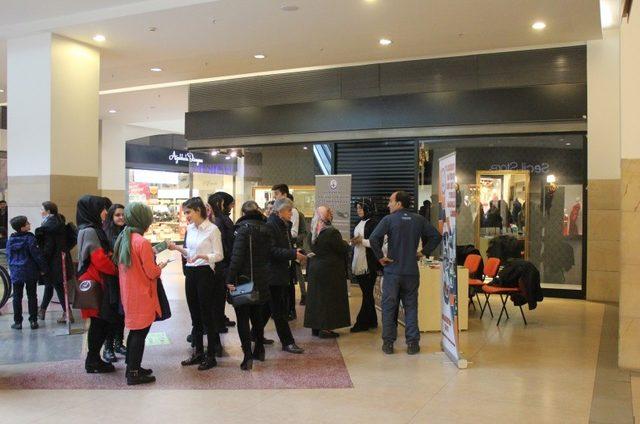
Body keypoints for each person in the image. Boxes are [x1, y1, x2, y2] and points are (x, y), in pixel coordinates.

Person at [369, 191, 442, 355]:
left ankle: (388, 344)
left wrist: (380, 257)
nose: (388, 204)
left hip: (393, 272)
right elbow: (436, 236)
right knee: (411, 307)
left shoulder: (388, 220)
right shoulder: (418, 219)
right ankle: (413, 344)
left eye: (390, 201)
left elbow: (374, 238)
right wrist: (423, 252)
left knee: (389, 308)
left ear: (399, 203)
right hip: (411, 271)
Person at [113, 203, 168, 385]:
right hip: (143, 293)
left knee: (135, 332)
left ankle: (132, 366)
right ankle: (134, 373)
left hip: (129, 292)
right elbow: (151, 272)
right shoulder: (142, 242)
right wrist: (159, 267)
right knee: (140, 334)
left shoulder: (124, 237)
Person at [169, 197, 223, 371]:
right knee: (195, 315)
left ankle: (211, 355)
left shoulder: (213, 230)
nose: (186, 216)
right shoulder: (190, 229)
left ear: (198, 211)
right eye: (185, 212)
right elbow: (189, 252)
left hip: (206, 273)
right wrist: (177, 248)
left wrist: (205, 257)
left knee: (207, 315)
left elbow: (220, 255)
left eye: (188, 212)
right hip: (191, 272)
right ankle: (198, 352)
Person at [226, 201, 272, 370]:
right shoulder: (267, 228)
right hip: (262, 279)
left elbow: (236, 258)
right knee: (257, 317)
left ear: (243, 213)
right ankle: (259, 349)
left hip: (243, 280)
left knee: (243, 318)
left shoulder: (241, 229)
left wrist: (229, 279)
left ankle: (247, 356)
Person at [76, 195, 118, 373]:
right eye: (102, 208)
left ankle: (94, 358)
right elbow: (99, 259)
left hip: (96, 280)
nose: (105, 212)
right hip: (95, 282)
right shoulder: (91, 231)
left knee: (99, 322)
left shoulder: (89, 228)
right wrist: (117, 270)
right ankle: (93, 360)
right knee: (99, 322)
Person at [264, 198, 305, 354]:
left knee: (268, 308)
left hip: (280, 272)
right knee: (279, 310)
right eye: (289, 210)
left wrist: (295, 253)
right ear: (280, 211)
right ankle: (287, 342)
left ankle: (254, 335)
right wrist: (293, 253)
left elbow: (285, 246)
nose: (291, 213)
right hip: (273, 274)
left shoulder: (283, 225)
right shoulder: (270, 226)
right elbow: (271, 251)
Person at [303, 206, 350, 338]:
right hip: (330, 270)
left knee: (316, 298)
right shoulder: (332, 232)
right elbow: (341, 248)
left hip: (315, 268)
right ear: (324, 216)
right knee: (329, 299)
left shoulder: (313, 231)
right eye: (329, 212)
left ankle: (316, 327)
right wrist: (346, 244)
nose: (332, 213)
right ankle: (326, 329)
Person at [36, 201, 74, 324]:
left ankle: (67, 313)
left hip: (53, 262)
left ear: (48, 211)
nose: (40, 211)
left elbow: (48, 246)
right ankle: (42, 311)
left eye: (42, 209)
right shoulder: (58, 222)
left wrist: (41, 260)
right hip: (60, 260)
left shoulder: (49, 226)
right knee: (52, 285)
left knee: (57, 287)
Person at [6, 215, 46, 330]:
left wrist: (13, 268)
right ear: (22, 227)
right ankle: (33, 321)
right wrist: (43, 268)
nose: (29, 224)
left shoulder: (11, 240)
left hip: (16, 271)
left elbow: (9, 256)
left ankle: (18, 322)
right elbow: (37, 255)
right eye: (27, 223)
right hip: (30, 271)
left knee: (17, 297)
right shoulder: (30, 238)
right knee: (32, 296)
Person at [208, 192, 236, 338]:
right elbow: (224, 242)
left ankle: (220, 319)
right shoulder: (219, 220)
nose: (231, 207)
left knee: (220, 293)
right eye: (230, 204)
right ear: (222, 203)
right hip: (222, 262)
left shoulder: (219, 219)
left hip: (224, 261)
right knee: (218, 294)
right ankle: (218, 321)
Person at [101, 204, 127, 363]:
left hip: (125, 279)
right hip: (111, 279)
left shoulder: (127, 232)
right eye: (117, 215)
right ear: (111, 216)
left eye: (123, 214)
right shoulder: (105, 234)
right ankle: (108, 347)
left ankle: (119, 343)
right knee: (111, 314)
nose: (121, 217)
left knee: (122, 313)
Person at [350, 200, 380, 333]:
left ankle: (362, 323)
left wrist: (360, 241)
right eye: (357, 208)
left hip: (369, 263)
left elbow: (376, 242)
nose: (358, 211)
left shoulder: (374, 223)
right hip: (359, 261)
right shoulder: (359, 222)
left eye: (361, 208)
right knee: (367, 294)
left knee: (367, 294)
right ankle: (372, 321)